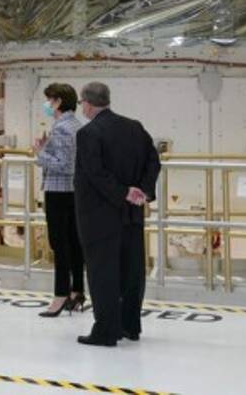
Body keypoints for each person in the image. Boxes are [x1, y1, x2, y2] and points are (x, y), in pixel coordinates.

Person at [74, 82, 160, 347]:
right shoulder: (135, 127)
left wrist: (123, 192)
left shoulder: (88, 133)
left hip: (99, 217)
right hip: (132, 215)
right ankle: (130, 326)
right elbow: (154, 161)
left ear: (88, 104)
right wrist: (143, 191)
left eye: (81, 103)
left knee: (103, 273)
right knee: (131, 272)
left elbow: (95, 173)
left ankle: (106, 331)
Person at [33, 82, 85, 317]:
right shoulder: (75, 124)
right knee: (74, 242)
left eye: (50, 100)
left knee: (59, 244)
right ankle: (77, 291)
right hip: (73, 192)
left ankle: (61, 294)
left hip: (58, 191)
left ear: (59, 102)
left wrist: (40, 153)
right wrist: (48, 147)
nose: (47, 104)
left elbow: (64, 165)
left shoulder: (62, 128)